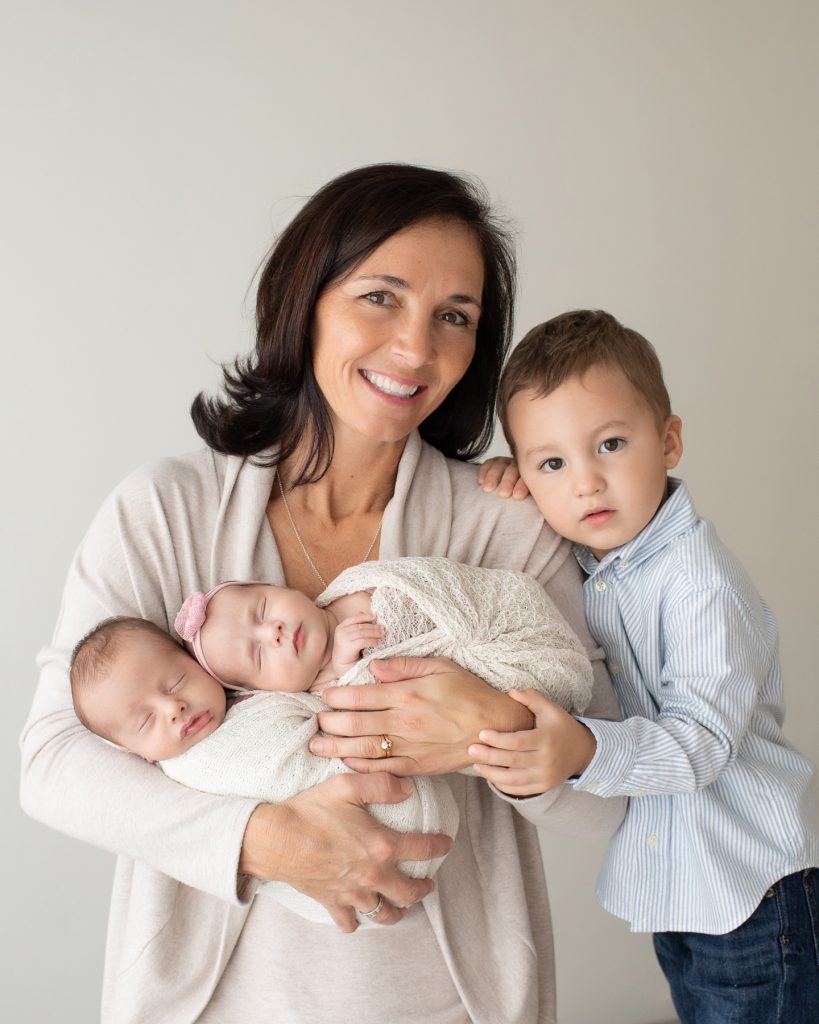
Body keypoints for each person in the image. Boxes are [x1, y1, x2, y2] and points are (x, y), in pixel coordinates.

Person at [20, 166, 625, 1024]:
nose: (416, 348)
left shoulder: (504, 527)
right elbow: (51, 764)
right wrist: (268, 841)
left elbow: (612, 800)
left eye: (454, 316)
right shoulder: (166, 511)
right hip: (209, 1006)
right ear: (305, 299)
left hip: (449, 1002)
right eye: (381, 296)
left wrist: (494, 728)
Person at [476, 309, 819, 1023]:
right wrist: (515, 486)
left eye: (609, 444)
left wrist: (584, 749)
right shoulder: (601, 556)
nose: (585, 484)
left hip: (751, 889)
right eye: (552, 463)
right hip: (681, 885)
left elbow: (700, 743)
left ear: (667, 440)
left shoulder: (699, 585)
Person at [69, 556, 594, 921]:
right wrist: (278, 844)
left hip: (465, 907)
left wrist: (502, 721)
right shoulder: (201, 753)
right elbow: (59, 772)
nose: (174, 707)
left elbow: (602, 782)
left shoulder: (493, 503)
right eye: (145, 721)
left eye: (177, 682)